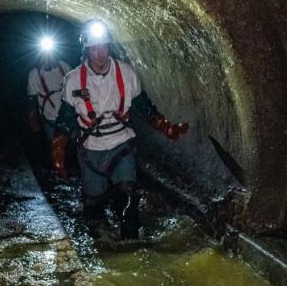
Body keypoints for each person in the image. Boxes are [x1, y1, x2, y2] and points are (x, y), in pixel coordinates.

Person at [52, 19, 188, 239]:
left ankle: (130, 243)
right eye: (94, 48)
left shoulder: (126, 73)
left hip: (121, 143)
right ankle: (100, 242)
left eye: (103, 46)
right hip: (91, 148)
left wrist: (165, 127)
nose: (100, 53)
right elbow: (66, 118)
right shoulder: (74, 80)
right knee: (93, 203)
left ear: (109, 46)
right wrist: (58, 149)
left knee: (129, 194)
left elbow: (145, 106)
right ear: (86, 49)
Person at [26, 41, 71, 153]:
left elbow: (76, 87)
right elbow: (32, 100)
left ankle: (72, 168)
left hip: (69, 117)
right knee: (55, 148)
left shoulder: (64, 67)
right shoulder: (35, 74)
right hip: (51, 119)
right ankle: (57, 168)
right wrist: (33, 121)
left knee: (73, 146)